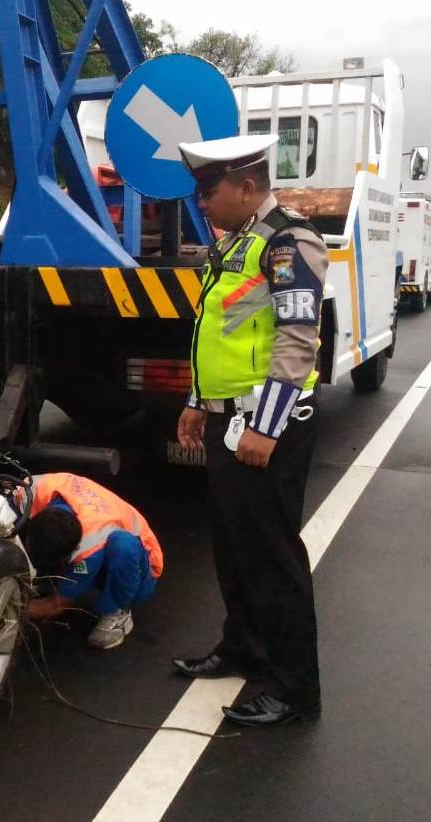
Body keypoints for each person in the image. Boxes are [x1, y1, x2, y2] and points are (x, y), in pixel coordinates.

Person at [172, 134, 325, 727]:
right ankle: (243, 648)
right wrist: (196, 401)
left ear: (249, 186)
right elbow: (219, 331)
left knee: (273, 556)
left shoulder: (289, 242)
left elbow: (296, 339)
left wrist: (266, 426)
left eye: (210, 191)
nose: (202, 203)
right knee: (233, 547)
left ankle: (295, 688)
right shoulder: (235, 244)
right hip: (225, 416)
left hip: (268, 426)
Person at [23, 473, 163, 650]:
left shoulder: (89, 547)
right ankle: (49, 577)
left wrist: (15, 609)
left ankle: (117, 611)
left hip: (143, 569)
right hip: (90, 535)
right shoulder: (34, 490)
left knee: (123, 546)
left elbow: (55, 605)